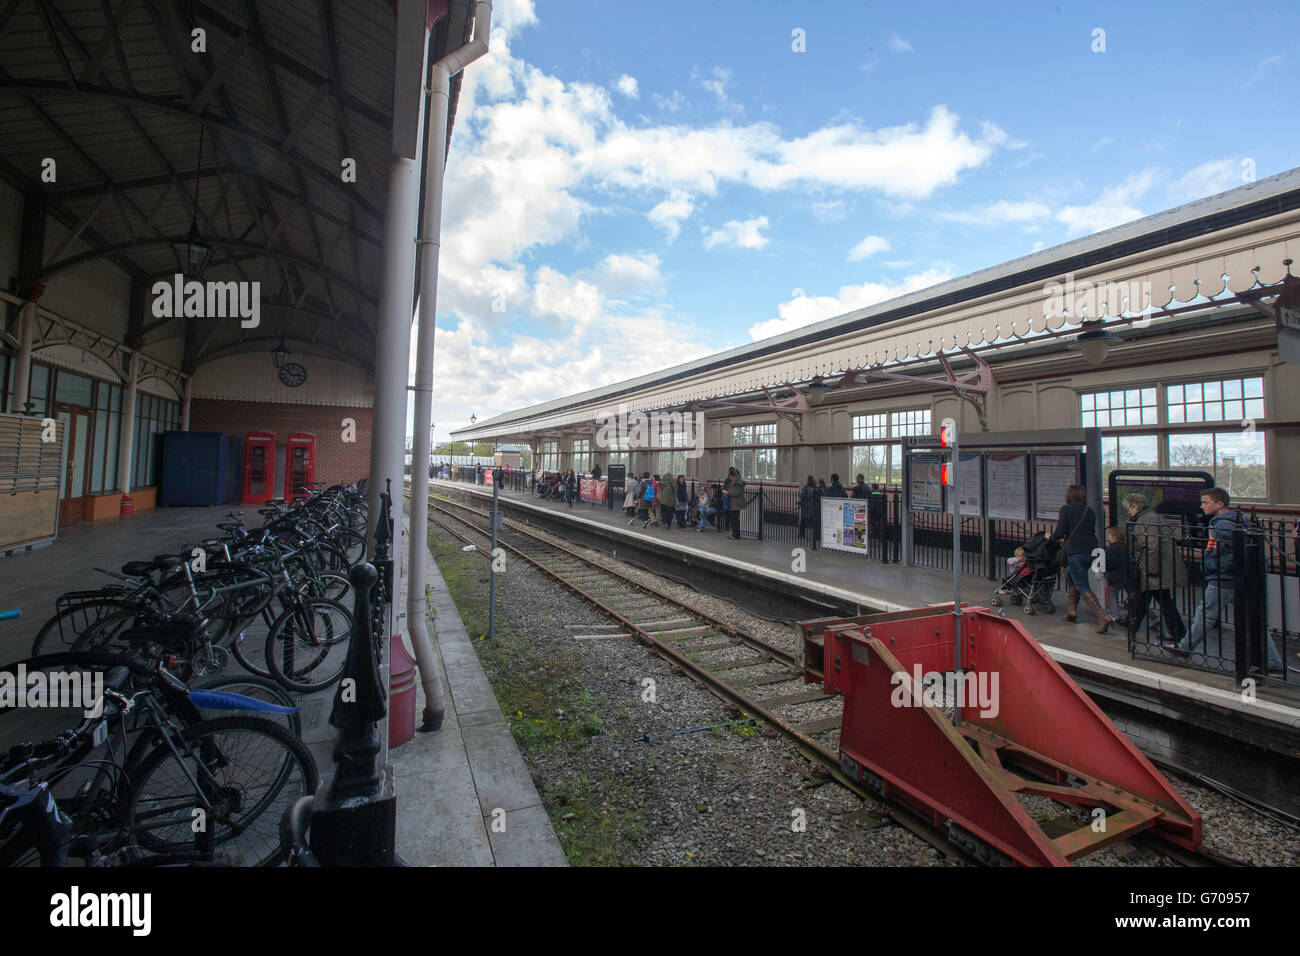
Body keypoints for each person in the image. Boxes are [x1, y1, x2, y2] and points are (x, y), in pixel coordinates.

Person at [1174, 489, 1284, 671]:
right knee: (1252, 620)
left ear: (1219, 504)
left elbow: (1223, 552)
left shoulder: (1222, 525)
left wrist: (1213, 568)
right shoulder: (1238, 521)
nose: (1202, 506)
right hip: (1243, 578)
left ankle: (1185, 648)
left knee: (1206, 615)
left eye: (1206, 502)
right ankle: (1273, 662)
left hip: (1223, 578)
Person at [1123, 493, 1187, 645]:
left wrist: (1149, 570)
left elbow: (1151, 545)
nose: (1128, 512)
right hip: (1157, 567)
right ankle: (1176, 630)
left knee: (1146, 599)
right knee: (1157, 599)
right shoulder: (1151, 517)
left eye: (1129, 508)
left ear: (1136, 507)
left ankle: (1132, 629)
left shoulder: (1145, 520)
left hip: (1153, 568)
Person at [1048, 484, 1111, 633]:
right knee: (1073, 579)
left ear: (1069, 496)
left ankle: (1103, 616)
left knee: (1082, 584)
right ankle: (1071, 611)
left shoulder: (1066, 509)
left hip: (1076, 551)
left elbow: (1060, 531)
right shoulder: (1089, 511)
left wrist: (1050, 539)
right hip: (1092, 550)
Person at [722, 467, 746, 539]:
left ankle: (736, 535)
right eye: (730, 477)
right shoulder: (732, 482)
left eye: (731, 477)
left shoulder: (739, 484)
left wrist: (727, 492)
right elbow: (727, 489)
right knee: (732, 520)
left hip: (736, 504)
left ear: (735, 476)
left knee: (735, 520)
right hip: (732, 503)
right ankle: (734, 533)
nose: (730, 478)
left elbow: (736, 493)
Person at [868, 483, 888, 562]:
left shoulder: (872, 495)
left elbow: (871, 505)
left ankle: (871, 538)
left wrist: (870, 511)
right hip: (881, 513)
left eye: (871, 487)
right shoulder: (881, 495)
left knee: (872, 526)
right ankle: (881, 538)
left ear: (873, 488)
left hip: (874, 514)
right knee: (880, 526)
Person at [797, 475, 819, 542]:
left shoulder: (805, 488)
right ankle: (816, 535)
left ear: (808, 480)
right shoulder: (815, 488)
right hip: (813, 506)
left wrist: (800, 502)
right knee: (813, 522)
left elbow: (802, 496)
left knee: (803, 521)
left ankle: (801, 534)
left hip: (806, 507)